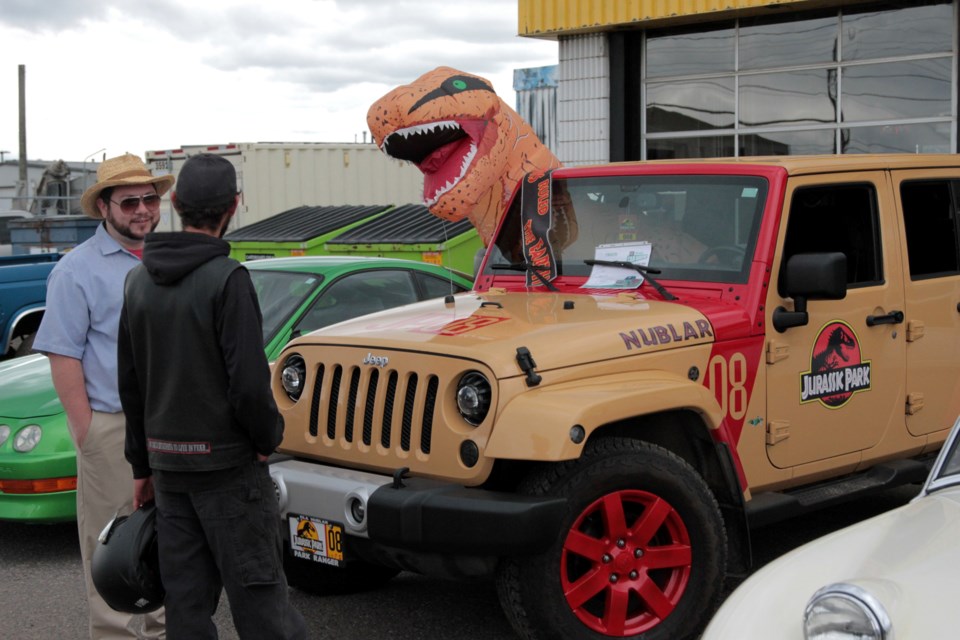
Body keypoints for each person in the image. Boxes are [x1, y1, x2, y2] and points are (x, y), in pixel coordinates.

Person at [117, 153, 306, 640]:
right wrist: (267, 438)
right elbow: (248, 383)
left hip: (168, 472)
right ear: (235, 206)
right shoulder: (229, 279)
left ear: (175, 203)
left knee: (186, 607)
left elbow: (131, 385)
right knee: (261, 602)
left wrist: (141, 466)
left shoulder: (137, 282)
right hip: (229, 473)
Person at [33, 153, 170, 639]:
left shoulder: (165, 258)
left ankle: (161, 629)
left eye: (149, 199)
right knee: (111, 541)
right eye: (128, 201)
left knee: (167, 537)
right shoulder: (76, 271)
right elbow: (62, 354)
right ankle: (115, 633)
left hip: (172, 424)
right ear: (105, 208)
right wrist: (86, 432)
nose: (142, 210)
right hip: (112, 427)